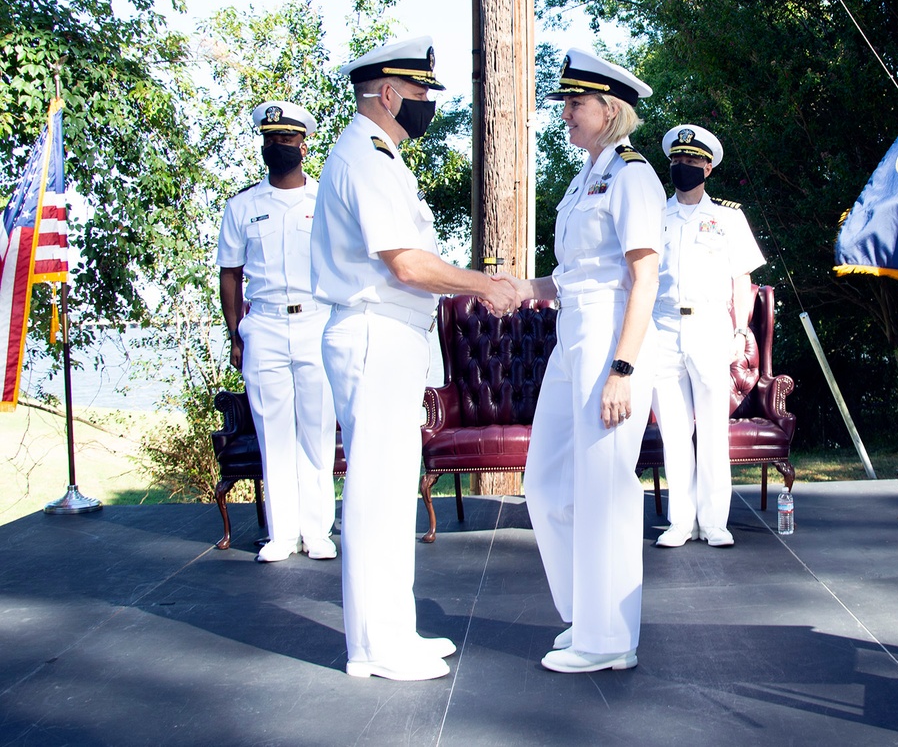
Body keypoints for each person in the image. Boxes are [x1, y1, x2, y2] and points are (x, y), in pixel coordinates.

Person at [311, 36, 518, 682]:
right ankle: (374, 648)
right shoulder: (367, 157)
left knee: (395, 489)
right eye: (423, 92)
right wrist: (487, 285)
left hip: (391, 336)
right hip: (374, 333)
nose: (429, 104)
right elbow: (405, 262)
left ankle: (394, 630)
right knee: (376, 492)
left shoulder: (381, 156)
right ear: (391, 93)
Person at [503, 49, 666, 674]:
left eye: (576, 104)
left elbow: (642, 278)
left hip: (610, 338)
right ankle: (585, 615)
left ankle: (610, 641)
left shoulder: (634, 177)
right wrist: (524, 288)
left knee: (604, 488)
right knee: (545, 482)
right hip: (571, 330)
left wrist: (623, 368)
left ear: (611, 110)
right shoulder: (583, 179)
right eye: (566, 104)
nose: (565, 114)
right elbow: (576, 275)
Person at [217, 101, 339, 563]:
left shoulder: (324, 200)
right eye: (271, 140)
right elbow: (231, 274)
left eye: (286, 139)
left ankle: (318, 531)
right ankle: (283, 535)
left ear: (302, 145)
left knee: (316, 430)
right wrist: (235, 334)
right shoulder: (243, 206)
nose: (278, 146)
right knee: (274, 434)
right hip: (264, 324)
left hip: (315, 321)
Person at [652, 124, 766, 549]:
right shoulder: (653, 215)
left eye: (693, 161)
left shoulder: (728, 218)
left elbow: (741, 279)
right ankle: (681, 521)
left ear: (709, 168)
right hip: (661, 327)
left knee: (714, 429)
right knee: (675, 433)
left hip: (710, 326)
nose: (684, 167)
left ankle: (715, 521)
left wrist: (740, 329)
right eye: (678, 161)